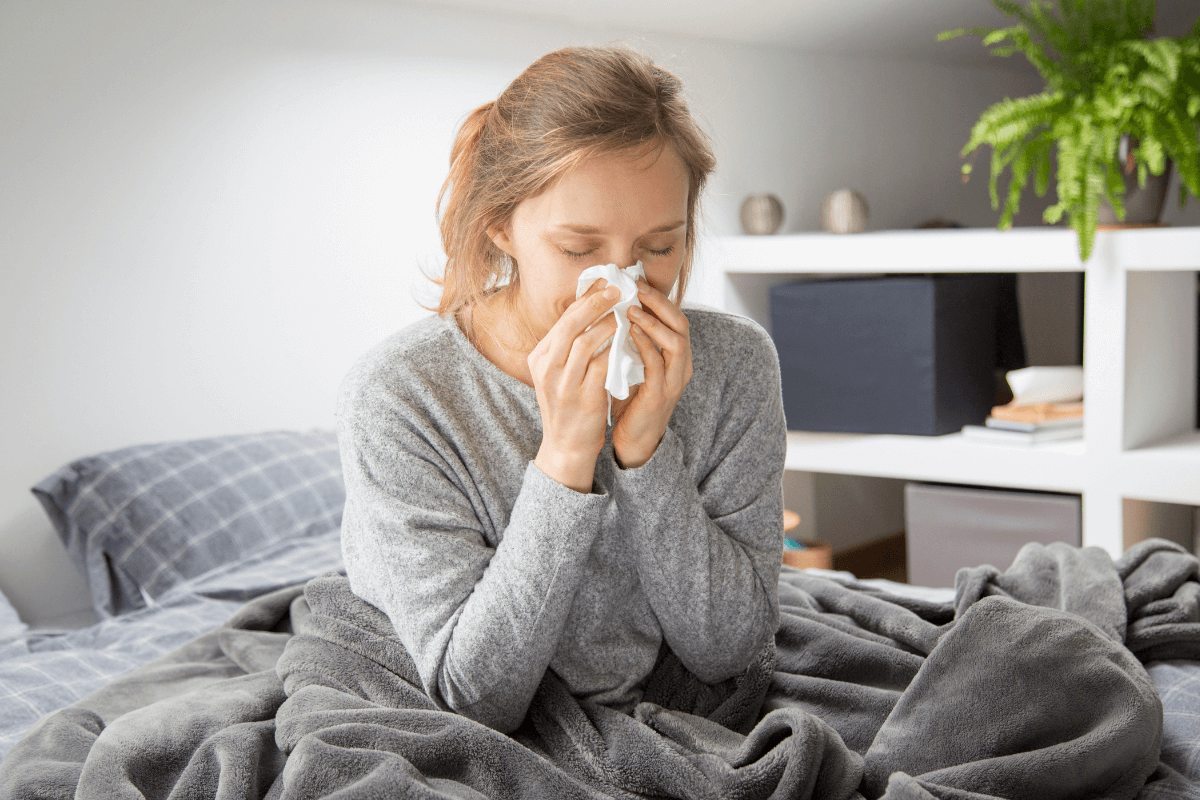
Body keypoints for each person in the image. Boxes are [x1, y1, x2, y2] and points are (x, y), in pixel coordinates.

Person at [335, 44, 787, 735]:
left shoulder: (734, 363)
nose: (623, 283)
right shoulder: (400, 396)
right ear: (499, 226)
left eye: (660, 246)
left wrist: (644, 452)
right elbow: (478, 696)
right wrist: (566, 459)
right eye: (579, 251)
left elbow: (730, 650)